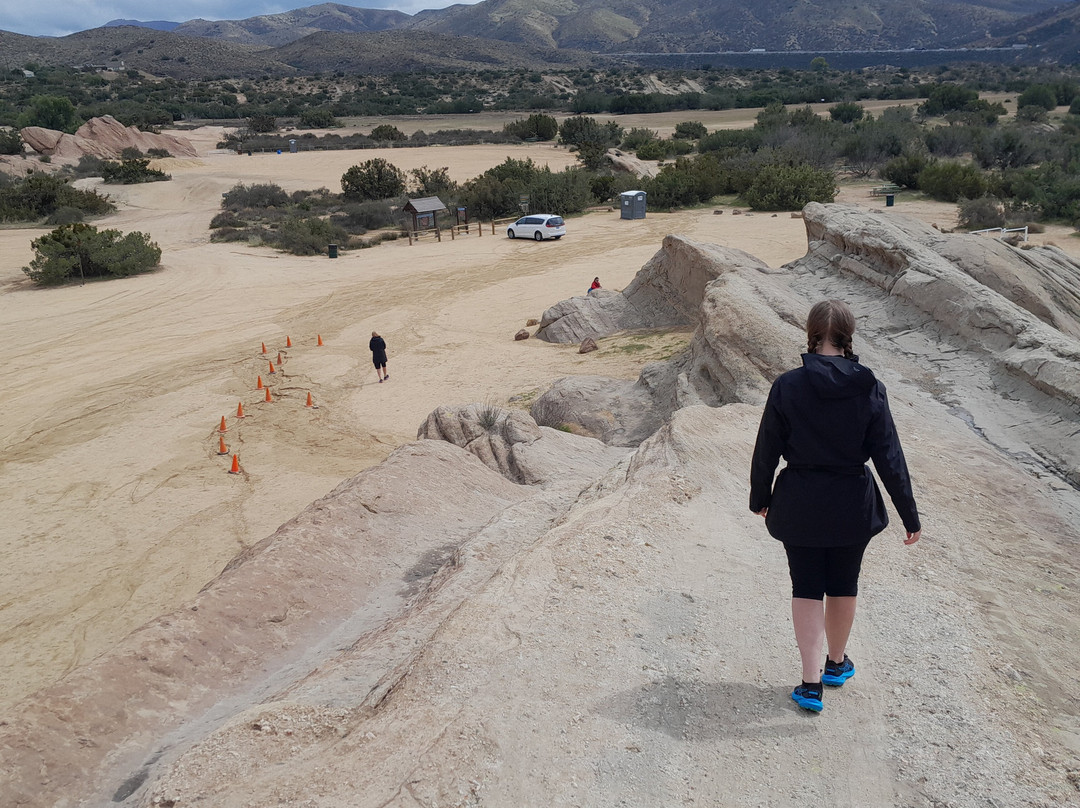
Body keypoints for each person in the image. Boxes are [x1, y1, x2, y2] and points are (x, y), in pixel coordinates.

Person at [749, 299, 920, 713]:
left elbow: (766, 449)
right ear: (849, 336)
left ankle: (810, 685)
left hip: (800, 501)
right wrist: (909, 514)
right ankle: (837, 665)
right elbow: (889, 456)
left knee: (805, 586)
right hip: (851, 503)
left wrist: (761, 497)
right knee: (844, 582)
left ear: (810, 334)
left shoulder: (787, 385)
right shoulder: (869, 385)